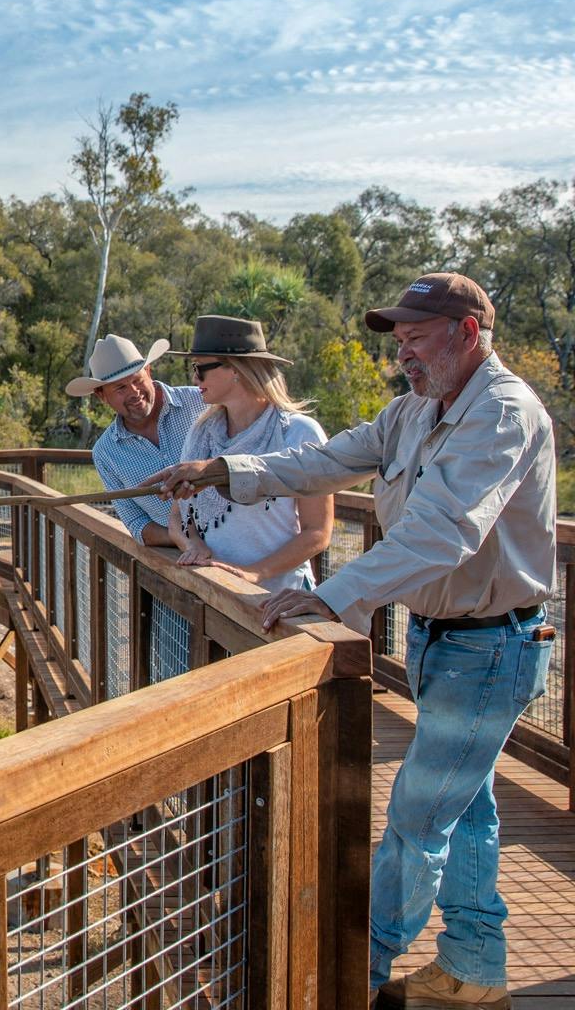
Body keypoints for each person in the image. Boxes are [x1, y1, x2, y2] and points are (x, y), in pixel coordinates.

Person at [156, 274, 555, 1009]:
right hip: (444, 640)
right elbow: (323, 463)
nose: (401, 352)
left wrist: (333, 594)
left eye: (415, 337)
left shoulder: (499, 414)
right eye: (396, 339)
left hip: (491, 645)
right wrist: (221, 470)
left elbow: (441, 531)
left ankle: (352, 968)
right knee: (464, 810)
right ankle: (474, 967)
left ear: (467, 333)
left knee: (415, 815)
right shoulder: (411, 412)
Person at [164, 316, 332, 595]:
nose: (194, 378)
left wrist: (254, 573)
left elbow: (318, 532)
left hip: (280, 599)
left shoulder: (298, 433)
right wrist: (193, 545)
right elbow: (178, 515)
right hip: (215, 593)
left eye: (200, 369)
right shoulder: (201, 433)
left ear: (236, 370)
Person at [68, 335, 204, 547]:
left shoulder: (201, 402)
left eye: (137, 379)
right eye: (120, 388)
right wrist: (184, 540)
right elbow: (136, 522)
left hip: (244, 544)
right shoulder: (106, 453)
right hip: (182, 565)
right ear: (101, 395)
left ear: (148, 372)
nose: (134, 392)